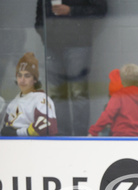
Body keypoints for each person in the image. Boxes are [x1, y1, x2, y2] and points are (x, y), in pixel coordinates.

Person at [35, 0, 107, 136]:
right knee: (56, 94)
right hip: (52, 45)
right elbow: (40, 13)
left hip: (78, 43)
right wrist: (45, 35)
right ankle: (61, 136)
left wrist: (71, 11)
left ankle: (80, 138)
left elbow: (100, 10)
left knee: (78, 93)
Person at [88, 64, 138, 137]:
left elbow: (107, 115)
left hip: (120, 139)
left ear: (122, 82)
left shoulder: (118, 97)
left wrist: (93, 132)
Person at [1, 52, 58, 137]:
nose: (22, 80)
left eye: (27, 76)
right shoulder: (12, 103)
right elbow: (5, 131)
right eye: (19, 76)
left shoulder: (41, 99)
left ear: (35, 79)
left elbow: (47, 127)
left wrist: (18, 133)